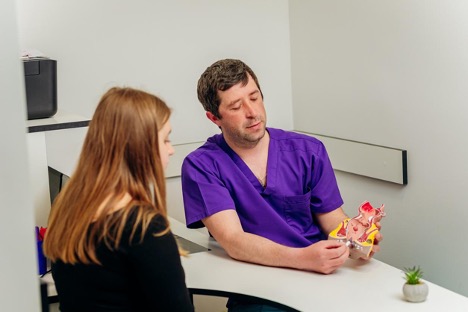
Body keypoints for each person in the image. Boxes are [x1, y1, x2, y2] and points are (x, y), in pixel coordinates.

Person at [181, 59, 382, 311]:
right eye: (235, 106)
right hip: (257, 288)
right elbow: (233, 240)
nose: (252, 112)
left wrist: (356, 239)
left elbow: (332, 220)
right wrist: (303, 258)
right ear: (214, 117)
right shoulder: (203, 166)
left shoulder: (307, 151)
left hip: (322, 277)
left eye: (254, 98)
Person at [44, 87, 194, 312]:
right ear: (139, 147)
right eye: (165, 140)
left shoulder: (66, 206)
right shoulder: (143, 227)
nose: (171, 150)